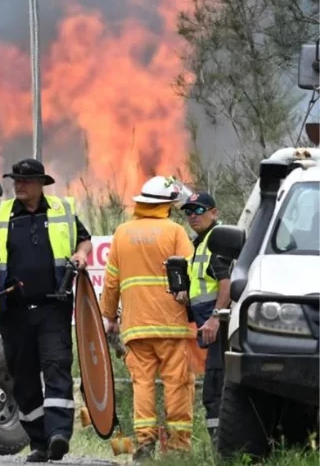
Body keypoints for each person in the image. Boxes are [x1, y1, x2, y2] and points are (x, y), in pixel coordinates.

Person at [0, 158, 92, 463]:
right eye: (15, 180)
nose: (18, 185)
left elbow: (84, 240)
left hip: (53, 306)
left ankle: (59, 434)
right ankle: (39, 442)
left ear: (41, 184)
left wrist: (81, 255)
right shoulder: (1, 215)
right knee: (23, 375)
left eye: (24, 181)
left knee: (56, 366)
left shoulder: (62, 211)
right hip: (14, 311)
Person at [99, 176, 196, 460]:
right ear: (167, 204)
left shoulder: (122, 233)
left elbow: (112, 281)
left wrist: (109, 317)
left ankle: (145, 443)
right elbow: (190, 275)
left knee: (142, 384)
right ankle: (178, 446)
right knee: (176, 383)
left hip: (136, 326)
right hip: (172, 325)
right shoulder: (175, 232)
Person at [176, 192, 231, 445]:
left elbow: (226, 282)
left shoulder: (217, 242)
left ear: (214, 212)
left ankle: (224, 451)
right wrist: (187, 295)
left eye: (199, 210)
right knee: (214, 391)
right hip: (209, 328)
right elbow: (206, 284)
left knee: (214, 393)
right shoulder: (201, 242)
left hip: (219, 329)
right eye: (188, 212)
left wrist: (215, 318)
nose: (192, 216)